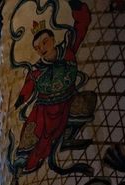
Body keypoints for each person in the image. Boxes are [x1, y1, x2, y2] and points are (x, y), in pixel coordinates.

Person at [12, 0, 94, 175]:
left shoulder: (68, 50)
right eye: (37, 47)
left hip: (67, 101)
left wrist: (77, 7)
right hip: (44, 109)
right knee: (32, 130)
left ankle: (68, 137)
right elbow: (28, 88)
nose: (41, 48)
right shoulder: (36, 71)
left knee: (88, 101)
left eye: (44, 42)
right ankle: (22, 163)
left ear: (52, 39)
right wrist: (20, 100)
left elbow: (82, 26)